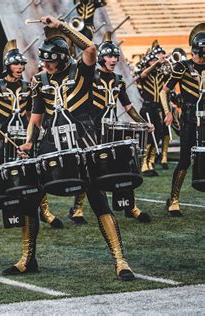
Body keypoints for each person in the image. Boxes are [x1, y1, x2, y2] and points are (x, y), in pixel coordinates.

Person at [18, 16, 135, 281]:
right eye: (44, 60)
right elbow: (36, 119)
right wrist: (28, 141)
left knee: (98, 200)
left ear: (61, 58)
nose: (46, 64)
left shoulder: (81, 70)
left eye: (50, 60)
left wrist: (61, 27)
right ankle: (27, 259)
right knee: (30, 201)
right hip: (50, 144)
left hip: (84, 141)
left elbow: (91, 49)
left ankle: (120, 259)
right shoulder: (40, 80)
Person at [0, 39, 63, 232]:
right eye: (16, 64)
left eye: (22, 64)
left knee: (34, 175)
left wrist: (34, 137)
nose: (20, 67)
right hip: (3, 138)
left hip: (23, 139)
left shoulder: (29, 86)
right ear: (7, 66)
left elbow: (31, 115)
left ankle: (45, 212)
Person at [85, 31, 153, 223]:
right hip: (92, 131)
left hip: (112, 130)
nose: (113, 59)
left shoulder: (118, 80)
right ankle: (78, 208)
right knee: (89, 169)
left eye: (115, 56)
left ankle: (130, 207)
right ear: (100, 58)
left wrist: (142, 122)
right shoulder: (89, 78)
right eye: (109, 56)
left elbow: (129, 108)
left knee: (124, 167)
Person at [162, 23, 205, 217]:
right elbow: (164, 91)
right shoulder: (182, 66)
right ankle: (174, 199)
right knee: (184, 160)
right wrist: (168, 111)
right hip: (189, 118)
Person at [138, 42, 168, 176]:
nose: (155, 62)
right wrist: (156, 63)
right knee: (148, 137)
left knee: (158, 134)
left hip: (157, 108)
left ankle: (150, 162)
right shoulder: (145, 73)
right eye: (153, 60)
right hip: (147, 108)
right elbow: (143, 75)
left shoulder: (160, 74)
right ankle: (144, 163)